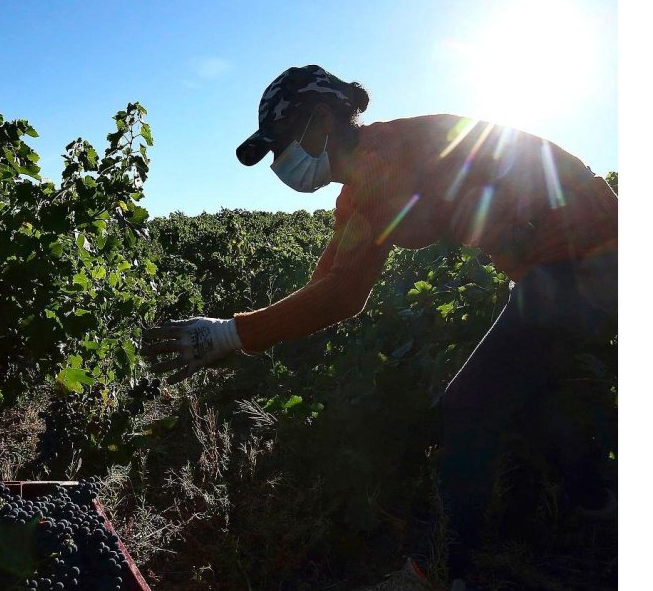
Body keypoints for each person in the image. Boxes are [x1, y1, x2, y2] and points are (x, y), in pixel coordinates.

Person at [141, 65, 618, 586]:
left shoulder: (383, 161)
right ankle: (597, 503)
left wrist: (231, 334)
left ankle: (440, 571)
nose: (281, 164)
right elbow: (328, 281)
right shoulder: (365, 181)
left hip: (589, 262)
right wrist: (234, 331)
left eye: (280, 146)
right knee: (526, 383)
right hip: (562, 267)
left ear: (322, 120)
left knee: (468, 407)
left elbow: (344, 296)